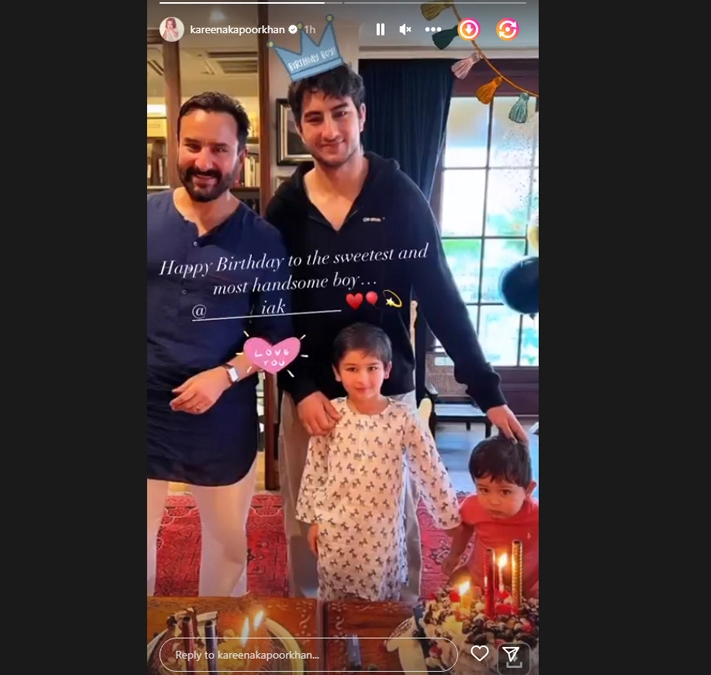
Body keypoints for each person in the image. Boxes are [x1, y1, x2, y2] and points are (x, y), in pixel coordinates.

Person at [264, 64, 529, 600]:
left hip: (387, 392)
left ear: (361, 115)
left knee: (394, 513)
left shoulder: (401, 198)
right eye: (314, 118)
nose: (329, 130)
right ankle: (315, 620)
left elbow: (441, 296)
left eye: (340, 113)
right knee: (309, 515)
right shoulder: (285, 209)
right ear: (298, 126)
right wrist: (299, 385)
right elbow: (271, 311)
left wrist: (487, 391)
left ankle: (399, 616)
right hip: (313, 395)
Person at [147, 92, 292, 597]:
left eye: (220, 149)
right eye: (193, 145)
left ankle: (220, 634)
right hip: (144, 410)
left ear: (240, 156)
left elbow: (279, 340)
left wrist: (226, 375)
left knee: (228, 546)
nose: (204, 162)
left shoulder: (263, 240)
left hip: (223, 415)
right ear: (176, 145)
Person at [296, 323, 461, 601]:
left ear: (387, 369)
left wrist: (451, 519)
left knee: (381, 606)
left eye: (372, 368)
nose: (363, 379)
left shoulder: (404, 419)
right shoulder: (331, 414)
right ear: (337, 372)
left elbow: (430, 469)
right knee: (334, 603)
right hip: (336, 532)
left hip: (382, 536)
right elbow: (315, 469)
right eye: (352, 369)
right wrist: (313, 522)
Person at [442, 435, 539, 598]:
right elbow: (464, 529)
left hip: (523, 589)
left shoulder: (536, 515)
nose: (493, 501)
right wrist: (455, 554)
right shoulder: (473, 506)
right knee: (449, 595)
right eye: (484, 489)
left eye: (505, 491)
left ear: (528, 489)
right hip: (478, 579)